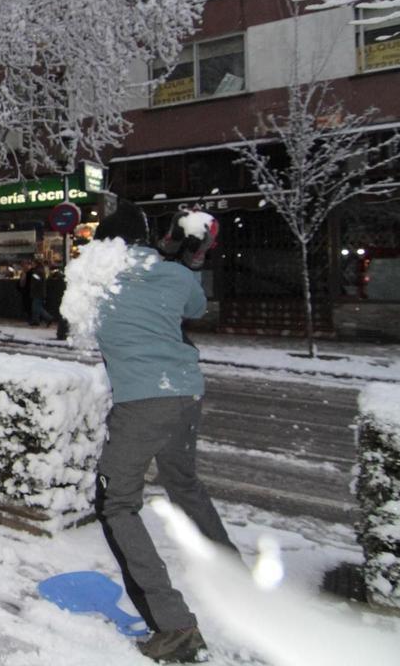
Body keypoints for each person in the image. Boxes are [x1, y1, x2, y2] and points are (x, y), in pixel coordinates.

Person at [90, 199, 235, 664]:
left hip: (141, 402)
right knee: (182, 482)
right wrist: (185, 259)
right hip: (186, 394)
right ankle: (232, 572)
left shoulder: (98, 279)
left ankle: (173, 627)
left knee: (117, 504)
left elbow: (77, 319)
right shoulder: (172, 274)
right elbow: (195, 305)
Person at [19, 260, 54, 326]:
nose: (32, 265)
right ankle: (36, 320)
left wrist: (32, 284)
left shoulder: (37, 272)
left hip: (38, 292)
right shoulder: (40, 270)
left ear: (36, 264)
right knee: (36, 307)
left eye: (33, 263)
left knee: (36, 307)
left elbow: (37, 280)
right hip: (39, 292)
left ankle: (48, 318)